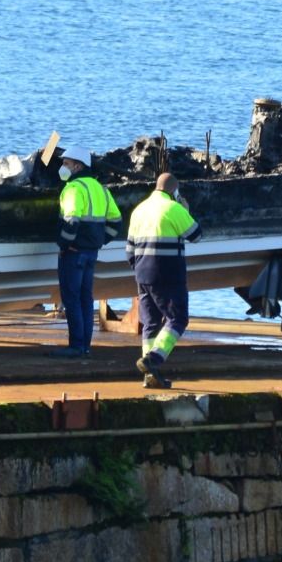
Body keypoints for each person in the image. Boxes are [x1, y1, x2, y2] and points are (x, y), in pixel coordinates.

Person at [125, 172, 201, 389]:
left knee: (150, 323)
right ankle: (154, 359)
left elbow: (129, 250)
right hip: (168, 273)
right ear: (175, 191)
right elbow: (196, 235)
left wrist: (140, 269)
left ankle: (150, 376)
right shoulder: (174, 208)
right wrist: (186, 210)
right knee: (178, 319)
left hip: (142, 274)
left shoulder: (139, 210)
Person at [49, 144, 121, 359]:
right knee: (85, 299)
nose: (63, 167)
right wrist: (99, 241)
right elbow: (116, 221)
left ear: (77, 166)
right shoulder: (101, 189)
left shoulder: (73, 189)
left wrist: (64, 245)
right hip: (92, 252)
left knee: (71, 299)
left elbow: (71, 221)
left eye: (66, 163)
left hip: (74, 253)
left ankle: (75, 346)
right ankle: (85, 346)